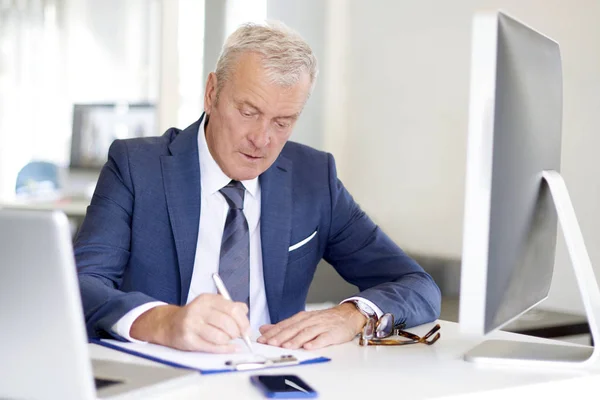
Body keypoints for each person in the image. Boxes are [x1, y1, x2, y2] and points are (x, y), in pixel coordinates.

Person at [75, 22, 441, 354]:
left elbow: (416, 284)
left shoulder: (314, 177)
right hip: (162, 380)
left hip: (276, 377)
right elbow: (82, 284)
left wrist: (351, 315)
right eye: (248, 112)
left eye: (283, 122)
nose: (262, 139)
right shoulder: (136, 167)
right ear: (211, 93)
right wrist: (164, 322)